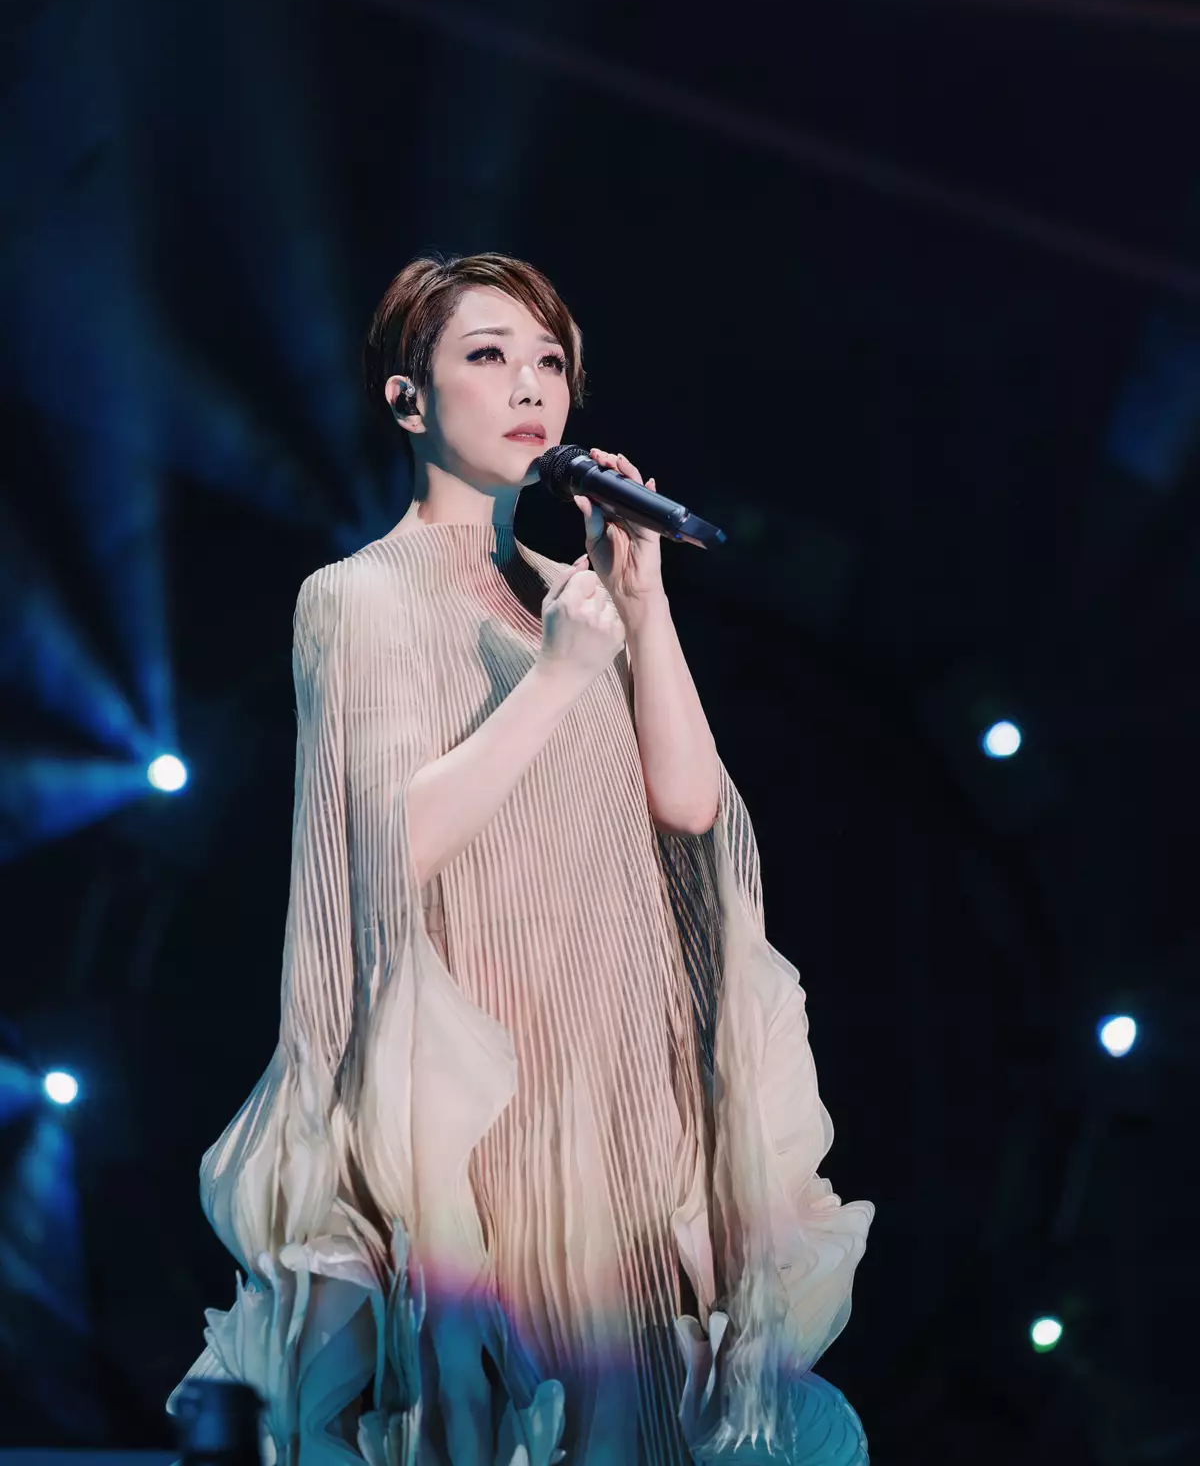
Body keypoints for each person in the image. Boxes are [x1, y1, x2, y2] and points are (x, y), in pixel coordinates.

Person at [167, 252, 874, 1466]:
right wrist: (554, 678)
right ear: (408, 400)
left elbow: (690, 805)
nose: (530, 385)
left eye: (550, 360)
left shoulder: (575, 595)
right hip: (490, 1085)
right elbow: (388, 845)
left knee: (650, 1412)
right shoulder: (358, 596)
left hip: (627, 1068)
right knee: (506, 1415)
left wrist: (640, 601)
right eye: (487, 356)